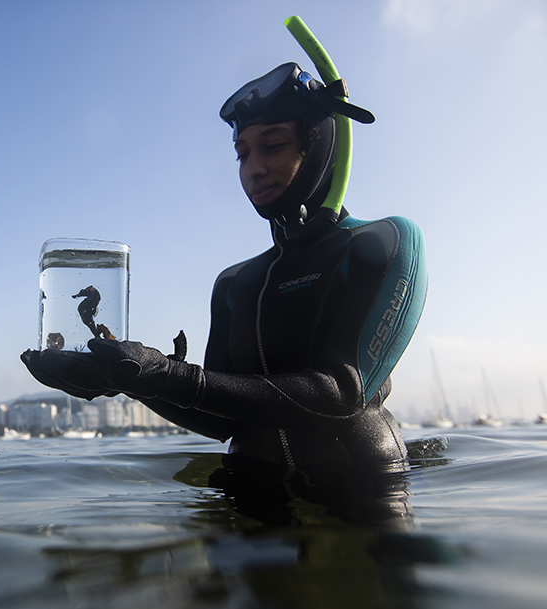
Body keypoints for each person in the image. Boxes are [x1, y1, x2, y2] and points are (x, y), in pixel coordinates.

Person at [22, 61, 427, 488]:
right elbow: (222, 422)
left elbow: (342, 393)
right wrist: (130, 380)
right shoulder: (237, 284)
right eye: (242, 153)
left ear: (319, 147)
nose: (252, 168)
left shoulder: (382, 243)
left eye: (273, 145)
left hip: (363, 493)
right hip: (248, 490)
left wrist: (166, 374)